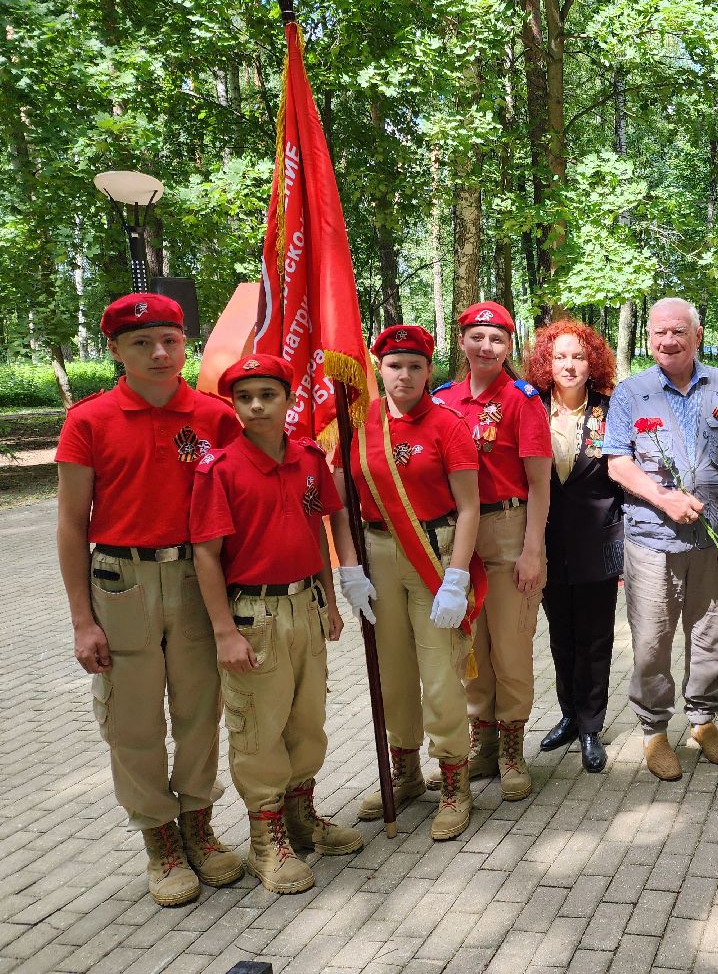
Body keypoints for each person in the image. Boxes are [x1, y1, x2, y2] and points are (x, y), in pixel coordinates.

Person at [55, 292, 244, 907]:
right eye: (142, 343)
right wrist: (83, 620)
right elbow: (70, 523)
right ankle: (159, 838)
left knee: (199, 711)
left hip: (196, 579)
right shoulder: (90, 421)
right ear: (116, 350)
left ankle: (199, 825)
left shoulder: (215, 417)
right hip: (122, 583)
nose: (160, 353)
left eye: (170, 340)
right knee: (132, 720)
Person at [190, 355, 364, 894]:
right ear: (234, 406)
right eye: (245, 398)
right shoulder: (219, 469)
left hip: (305, 605)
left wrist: (330, 602)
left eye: (268, 394)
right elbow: (206, 555)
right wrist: (224, 632)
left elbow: (319, 533)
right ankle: (267, 842)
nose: (257, 406)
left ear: (289, 400)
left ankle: (301, 817)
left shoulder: (309, 459)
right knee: (258, 729)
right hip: (254, 615)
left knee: (307, 719)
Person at [334, 325, 483, 841]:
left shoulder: (448, 425)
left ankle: (454, 781)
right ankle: (406, 773)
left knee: (439, 670)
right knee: (391, 671)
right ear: (379, 369)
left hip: (432, 555)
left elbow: (469, 507)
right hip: (375, 555)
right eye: (395, 365)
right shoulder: (358, 424)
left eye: (415, 366)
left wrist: (457, 577)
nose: (405, 375)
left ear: (428, 370)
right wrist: (348, 567)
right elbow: (342, 503)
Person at [602, 297, 718, 781]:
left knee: (710, 635)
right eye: (659, 333)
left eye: (678, 332)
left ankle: (703, 720)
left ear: (698, 335)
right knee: (651, 642)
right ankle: (654, 731)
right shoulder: (631, 393)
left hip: (715, 540)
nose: (668, 341)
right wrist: (664, 498)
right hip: (652, 539)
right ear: (649, 337)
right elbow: (617, 461)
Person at [433, 302, 551, 801]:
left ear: (510, 346)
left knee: (509, 645)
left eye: (497, 339)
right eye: (477, 337)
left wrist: (532, 551)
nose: (486, 347)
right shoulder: (441, 401)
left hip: (507, 528)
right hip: (459, 537)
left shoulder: (523, 401)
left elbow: (540, 486)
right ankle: (480, 740)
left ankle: (511, 748)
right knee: (469, 645)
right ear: (461, 341)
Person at [525, 320, 623, 773]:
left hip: (599, 541)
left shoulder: (611, 409)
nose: (569, 364)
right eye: (560, 356)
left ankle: (591, 725)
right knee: (561, 637)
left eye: (578, 356)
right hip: (545, 544)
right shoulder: (531, 408)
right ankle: (567, 714)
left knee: (596, 638)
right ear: (547, 362)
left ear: (592, 363)